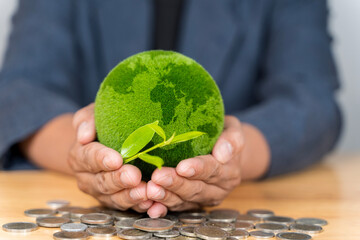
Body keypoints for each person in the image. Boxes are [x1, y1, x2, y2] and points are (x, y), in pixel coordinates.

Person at [0, 0, 341, 218]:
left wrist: (235, 154)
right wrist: (82, 153)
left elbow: (312, 101)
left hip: (243, 198)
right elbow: (21, 90)